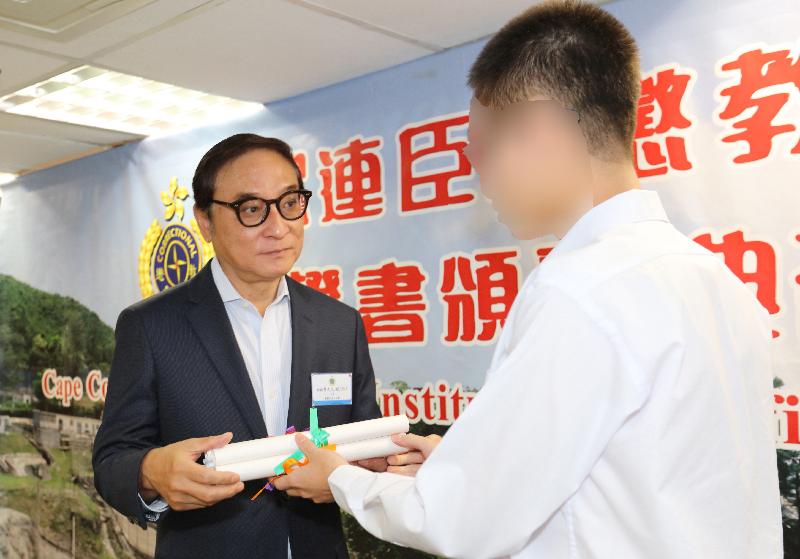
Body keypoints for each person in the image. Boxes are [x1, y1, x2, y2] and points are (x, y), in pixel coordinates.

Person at [272, 2, 784, 557]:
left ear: (538, 127)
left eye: (481, 149)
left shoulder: (580, 290)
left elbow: (459, 521)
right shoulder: (715, 280)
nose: (479, 176)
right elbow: (643, 470)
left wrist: (340, 480)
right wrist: (460, 465)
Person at [92, 134, 385, 558]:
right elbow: (112, 459)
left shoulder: (340, 324)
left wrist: (369, 468)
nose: (278, 227)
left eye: (289, 203)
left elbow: (362, 439)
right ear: (205, 222)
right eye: (252, 210)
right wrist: (150, 472)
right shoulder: (152, 326)